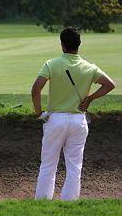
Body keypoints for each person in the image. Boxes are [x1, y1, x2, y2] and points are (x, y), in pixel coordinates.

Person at [31, 26, 115, 201]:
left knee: (48, 165)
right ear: (79, 44)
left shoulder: (51, 64)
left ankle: (42, 203)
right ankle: (68, 204)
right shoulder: (89, 67)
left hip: (55, 120)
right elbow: (109, 84)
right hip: (78, 121)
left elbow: (35, 89)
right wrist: (89, 99)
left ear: (62, 45)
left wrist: (39, 113)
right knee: (74, 167)